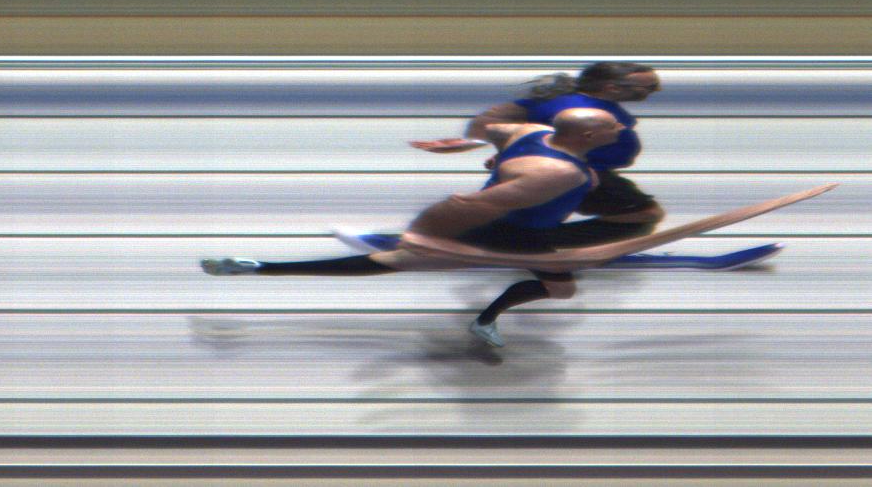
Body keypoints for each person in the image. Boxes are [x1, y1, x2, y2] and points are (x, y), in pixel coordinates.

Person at [201, 109, 626, 347]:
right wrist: (430, 236)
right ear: (589, 134)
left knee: (394, 261)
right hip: (512, 232)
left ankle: (259, 267)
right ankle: (484, 320)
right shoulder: (559, 173)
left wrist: (473, 146)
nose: (622, 127)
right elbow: (476, 205)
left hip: (508, 226)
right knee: (560, 288)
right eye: (613, 125)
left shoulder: (532, 131)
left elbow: (493, 129)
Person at [403, 62, 666, 247]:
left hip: (571, 170)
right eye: (649, 87)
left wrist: (482, 143)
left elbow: (497, 117)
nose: (654, 92)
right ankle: (526, 245)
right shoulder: (588, 109)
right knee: (645, 214)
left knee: (527, 211)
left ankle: (512, 240)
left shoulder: (564, 100)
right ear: (612, 88)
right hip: (576, 173)